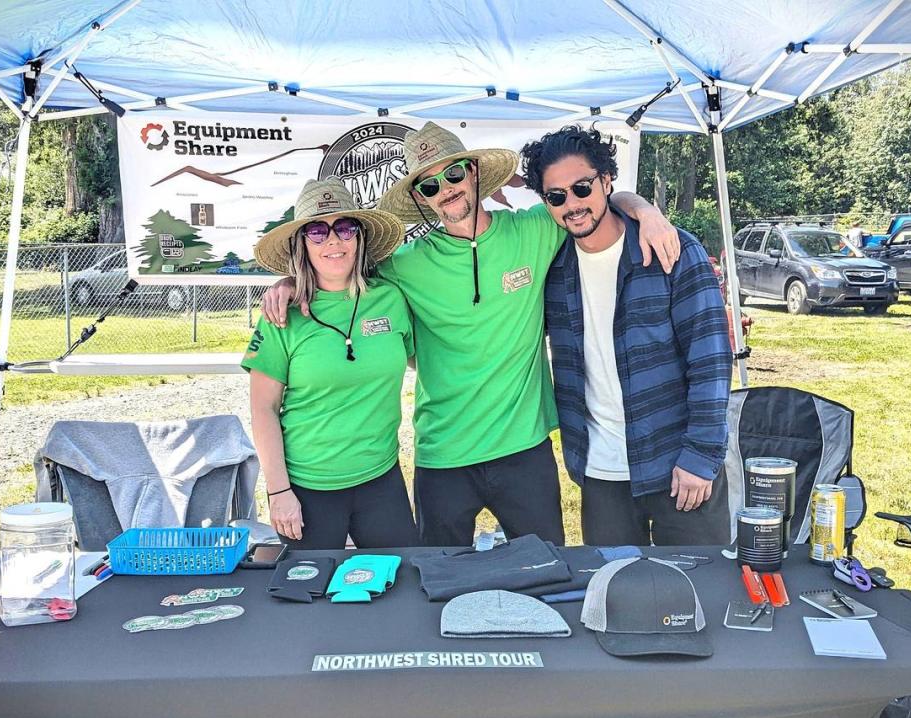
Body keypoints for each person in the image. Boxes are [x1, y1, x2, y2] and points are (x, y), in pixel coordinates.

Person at [261, 122, 680, 548]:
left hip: (524, 449)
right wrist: (289, 284)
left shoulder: (535, 228)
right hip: (443, 455)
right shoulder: (404, 264)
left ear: (475, 173)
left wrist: (646, 211)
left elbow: (597, 200)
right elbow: (336, 269)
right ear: (421, 199)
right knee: (436, 586)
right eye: (429, 186)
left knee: (547, 574)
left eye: (454, 174)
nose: (446, 189)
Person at [520, 126, 732, 546]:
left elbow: (710, 359)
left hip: (678, 465)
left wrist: (701, 455)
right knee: (613, 601)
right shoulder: (552, 267)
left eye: (582, 188)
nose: (573, 205)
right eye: (556, 196)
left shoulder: (671, 250)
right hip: (601, 475)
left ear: (606, 180)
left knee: (699, 598)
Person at [244, 178, 419, 549]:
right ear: (301, 244)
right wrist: (279, 492)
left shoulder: (391, 298)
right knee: (310, 600)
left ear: (360, 238)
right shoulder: (282, 315)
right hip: (307, 490)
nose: (333, 241)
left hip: (381, 479)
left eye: (344, 228)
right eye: (317, 231)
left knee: (400, 586)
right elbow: (263, 409)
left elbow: (422, 359)